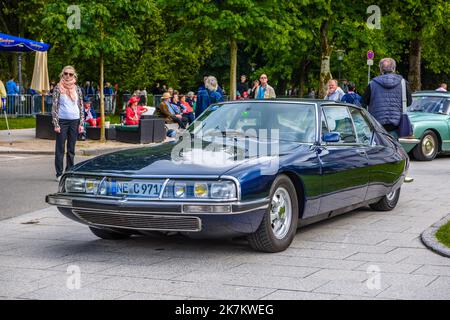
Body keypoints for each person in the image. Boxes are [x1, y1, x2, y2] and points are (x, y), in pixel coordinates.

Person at [362, 57, 414, 183]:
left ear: (380, 69)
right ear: (394, 69)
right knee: (395, 149)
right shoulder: (403, 83)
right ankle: (399, 175)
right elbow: (409, 102)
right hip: (396, 124)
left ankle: (378, 177)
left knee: (378, 150)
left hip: (377, 123)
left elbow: (364, 102)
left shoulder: (372, 84)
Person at [51, 66, 84, 181]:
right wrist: (56, 123)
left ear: (74, 76)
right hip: (62, 121)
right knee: (60, 148)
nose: (68, 76)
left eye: (70, 74)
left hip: (75, 121)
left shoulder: (77, 89)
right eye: (66, 73)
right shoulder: (58, 88)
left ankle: (69, 171)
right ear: (62, 74)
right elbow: (55, 106)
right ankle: (59, 173)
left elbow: (80, 106)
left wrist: (81, 123)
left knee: (71, 149)